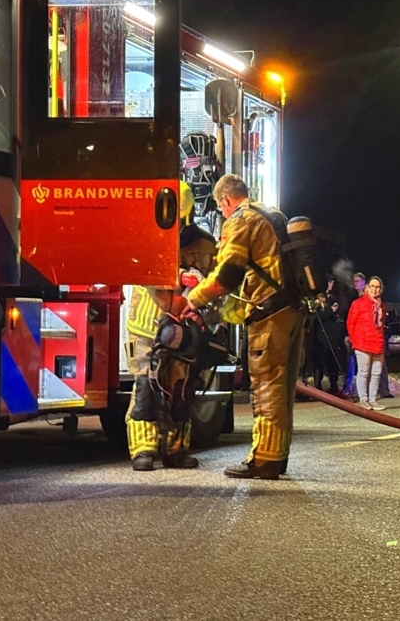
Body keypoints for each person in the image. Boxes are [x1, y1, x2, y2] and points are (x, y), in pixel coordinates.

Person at [187, 174, 304, 480]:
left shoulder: (240, 220)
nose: (222, 213)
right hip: (292, 309)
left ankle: (263, 460)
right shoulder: (274, 214)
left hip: (269, 313)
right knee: (282, 387)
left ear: (226, 200)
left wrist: (195, 298)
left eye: (220, 207)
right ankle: (277, 456)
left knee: (266, 385)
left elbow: (227, 274)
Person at [125, 182, 217, 471]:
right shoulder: (145, 238)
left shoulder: (203, 243)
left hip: (185, 327)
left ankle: (176, 449)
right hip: (147, 325)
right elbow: (137, 269)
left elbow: (217, 279)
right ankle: (144, 449)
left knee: (182, 388)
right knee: (146, 387)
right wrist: (178, 276)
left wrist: (207, 303)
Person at [346, 276, 388, 411]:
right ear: (367, 288)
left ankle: (373, 399)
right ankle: (363, 399)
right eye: (372, 286)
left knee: (376, 373)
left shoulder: (381, 306)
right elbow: (350, 323)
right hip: (362, 343)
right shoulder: (358, 303)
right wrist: (354, 339)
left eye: (377, 287)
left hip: (378, 343)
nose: (374, 289)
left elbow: (382, 325)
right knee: (364, 372)